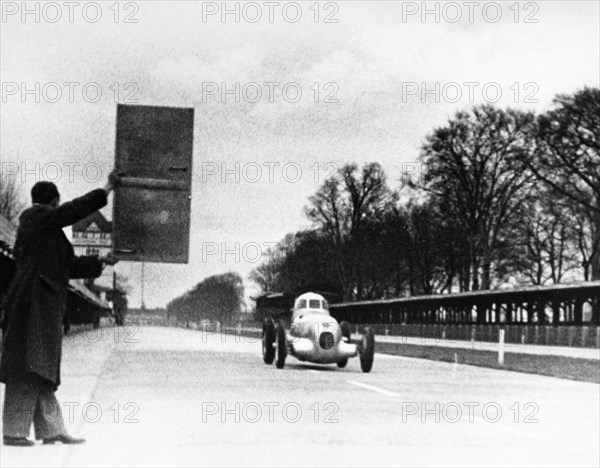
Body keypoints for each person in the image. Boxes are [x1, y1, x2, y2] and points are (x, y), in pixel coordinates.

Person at [0, 171, 120, 447]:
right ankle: (14, 432)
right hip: (32, 304)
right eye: (57, 203)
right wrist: (107, 188)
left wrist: (101, 260)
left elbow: (69, 267)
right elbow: (73, 211)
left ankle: (52, 429)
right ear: (51, 202)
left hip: (41, 304)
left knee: (39, 366)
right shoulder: (35, 218)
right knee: (27, 365)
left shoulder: (46, 232)